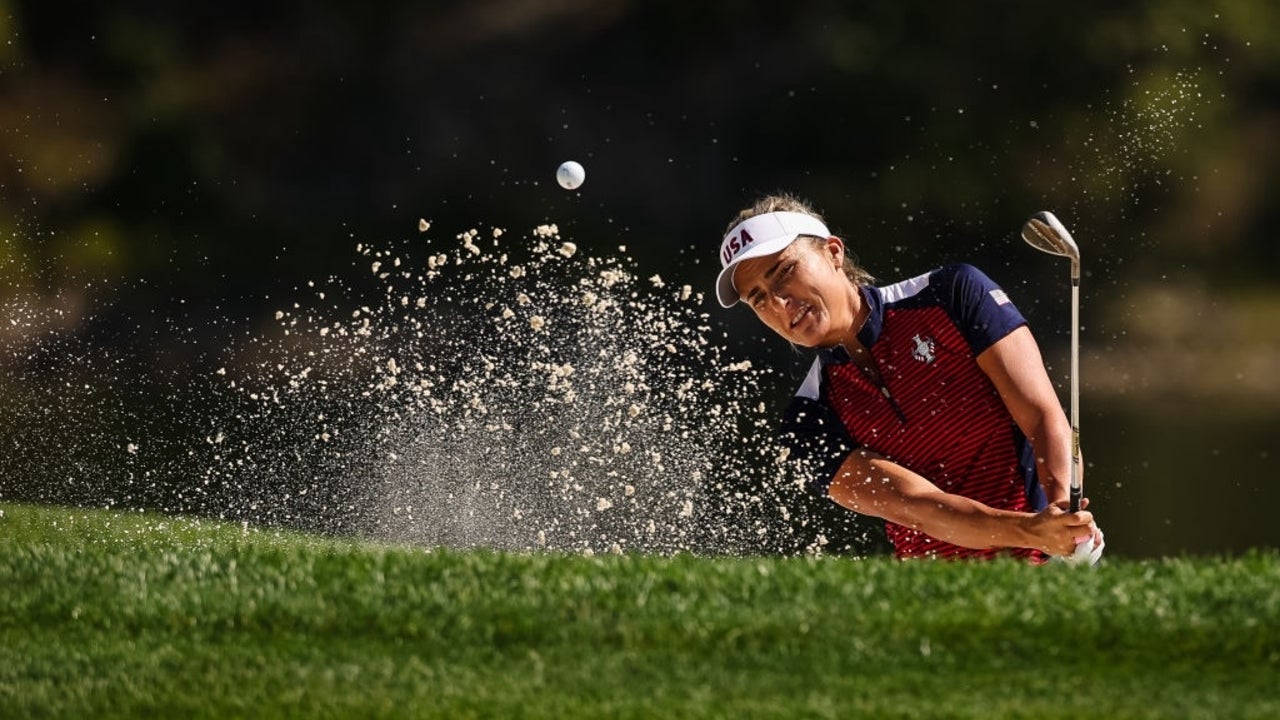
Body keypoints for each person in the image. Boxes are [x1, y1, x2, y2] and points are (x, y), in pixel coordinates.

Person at [717, 193, 1104, 562]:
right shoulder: (807, 420)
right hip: (933, 602)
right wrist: (1032, 532)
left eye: (785, 271)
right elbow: (918, 506)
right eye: (759, 298)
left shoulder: (951, 295)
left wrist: (1062, 520)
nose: (780, 303)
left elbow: (1041, 416)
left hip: (1048, 568)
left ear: (833, 252)